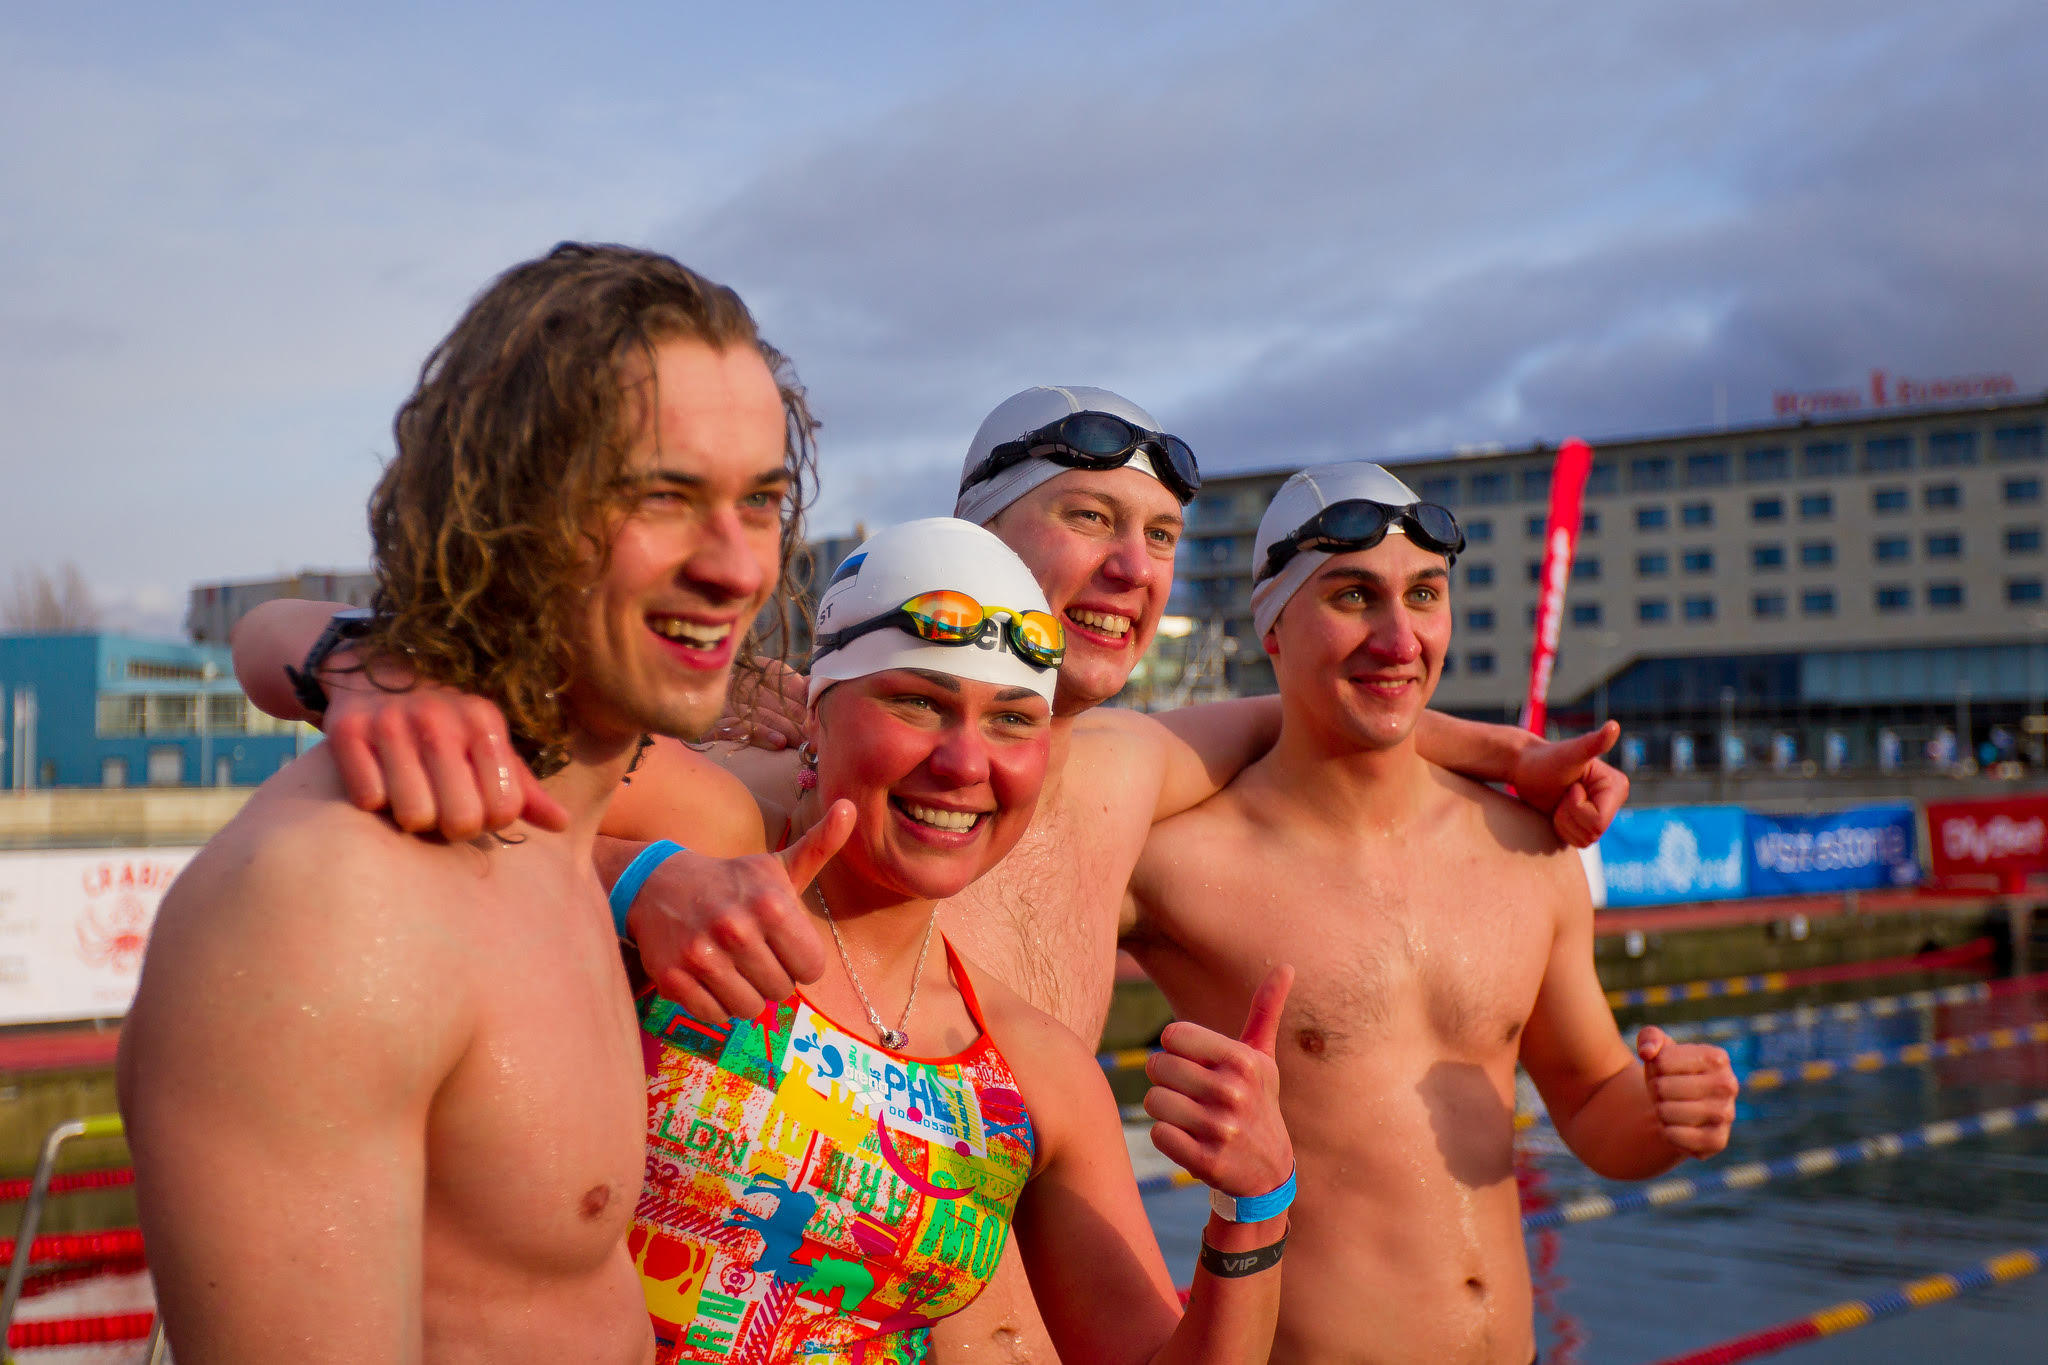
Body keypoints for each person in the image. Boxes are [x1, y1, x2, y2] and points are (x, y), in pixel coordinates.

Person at [230, 385, 1631, 1359]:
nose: (1131, 567)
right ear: (977, 533)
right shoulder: (774, 774)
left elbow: (1315, 702)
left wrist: (1508, 757)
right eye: (1090, 518)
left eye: (1158, 539)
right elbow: (305, 658)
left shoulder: (1124, 766)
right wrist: (627, 872)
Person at [116, 243, 821, 1363]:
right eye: (663, 497)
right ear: (506, 507)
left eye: (760, 501)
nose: (738, 567)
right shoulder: (333, 909)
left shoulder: (554, 845)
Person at [626, 516, 1294, 1363]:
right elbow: (453, 748)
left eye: (1013, 721)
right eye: (918, 701)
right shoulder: (706, 847)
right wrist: (631, 875)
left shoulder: (1033, 1067)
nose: (965, 762)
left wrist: (1258, 1203)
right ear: (818, 715)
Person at [1123, 460, 1739, 1364]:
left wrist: (1666, 1114)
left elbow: (1594, 1100)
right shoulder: (1179, 861)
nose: (1399, 636)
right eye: (1352, 597)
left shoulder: (1526, 847)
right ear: (1273, 627)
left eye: (1424, 593)